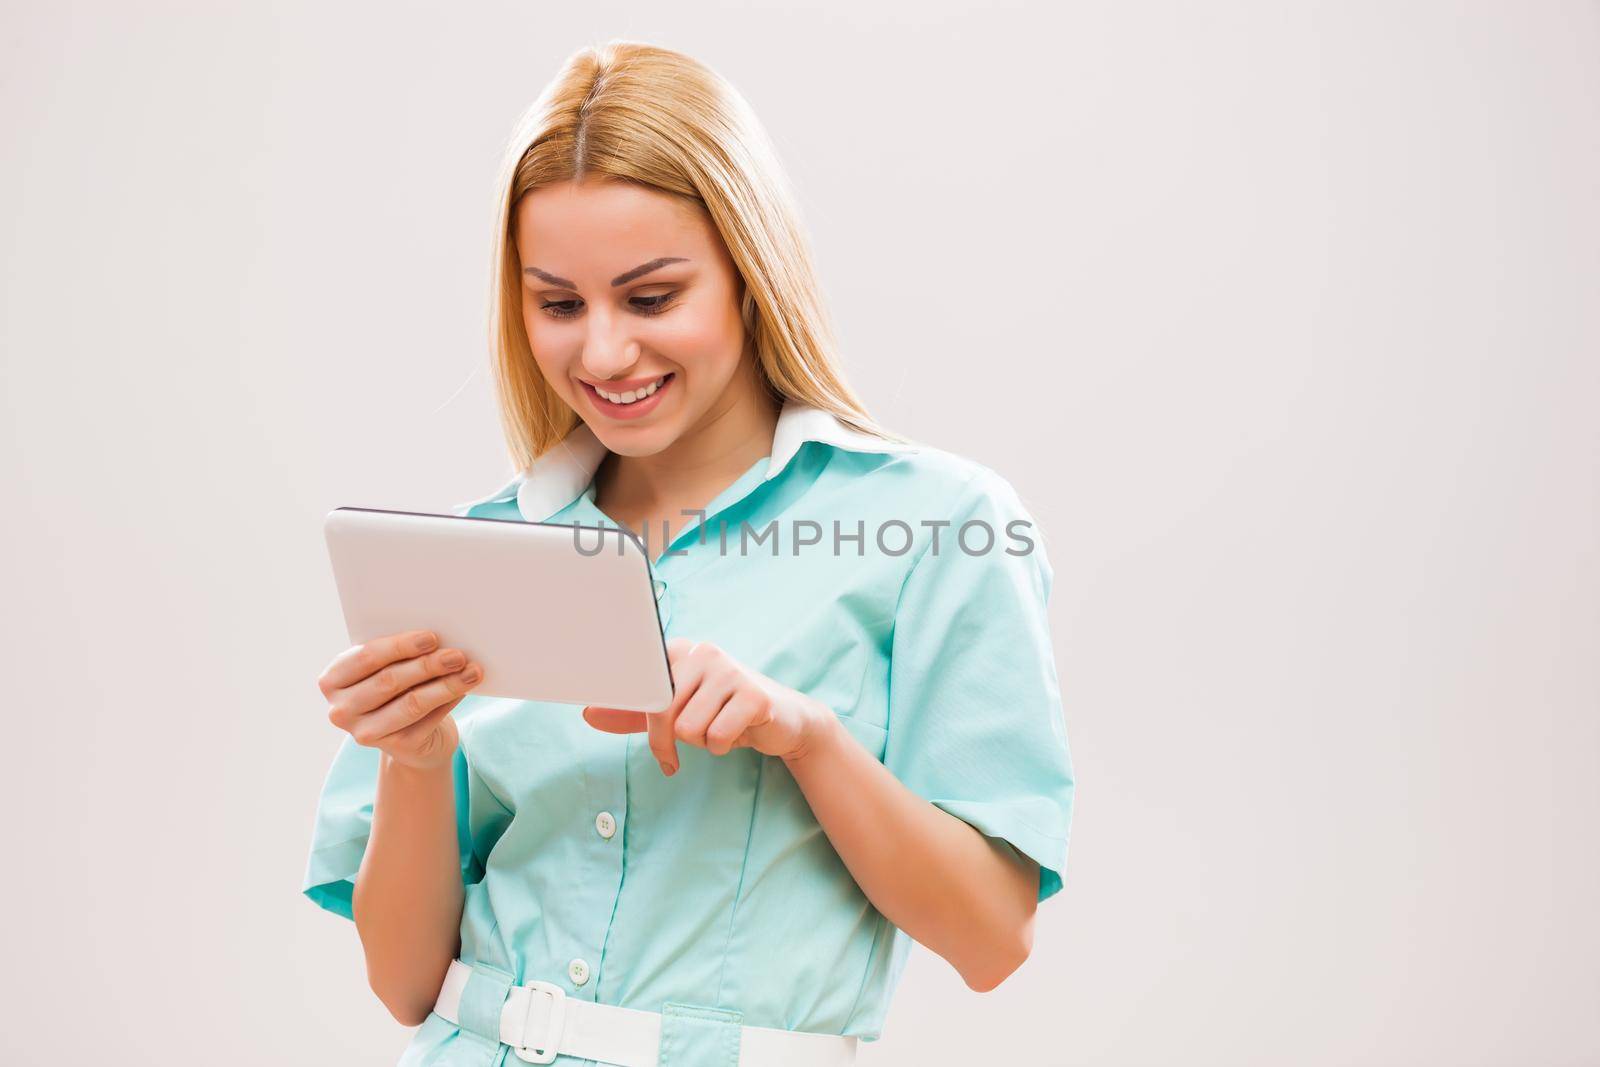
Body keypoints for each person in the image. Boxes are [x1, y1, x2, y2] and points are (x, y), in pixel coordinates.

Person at [302, 39, 1075, 1067]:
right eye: (559, 304)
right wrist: (415, 757)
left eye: (652, 296)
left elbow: (991, 937)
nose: (605, 352)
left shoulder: (942, 525)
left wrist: (806, 737)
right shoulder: (481, 551)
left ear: (750, 273)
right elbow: (403, 983)